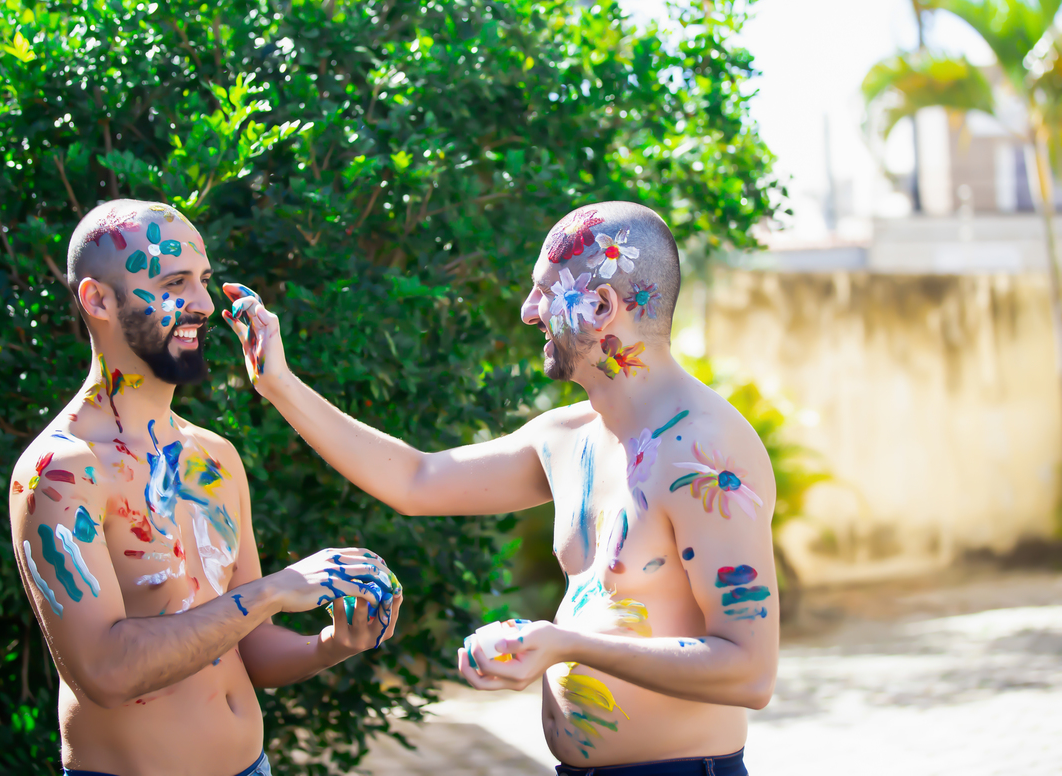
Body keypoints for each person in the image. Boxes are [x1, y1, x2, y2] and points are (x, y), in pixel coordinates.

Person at [222, 201, 778, 776]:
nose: (528, 310)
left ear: (603, 305)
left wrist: (564, 645)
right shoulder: (569, 439)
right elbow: (417, 480)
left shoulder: (706, 455)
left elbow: (749, 672)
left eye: (543, 290)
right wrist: (279, 385)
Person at [9, 199, 402, 776]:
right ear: (97, 300)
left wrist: (334, 643)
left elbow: (250, 649)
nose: (202, 304)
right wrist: (274, 590)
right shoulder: (62, 472)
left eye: (204, 281)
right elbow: (104, 674)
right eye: (174, 282)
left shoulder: (214, 457)